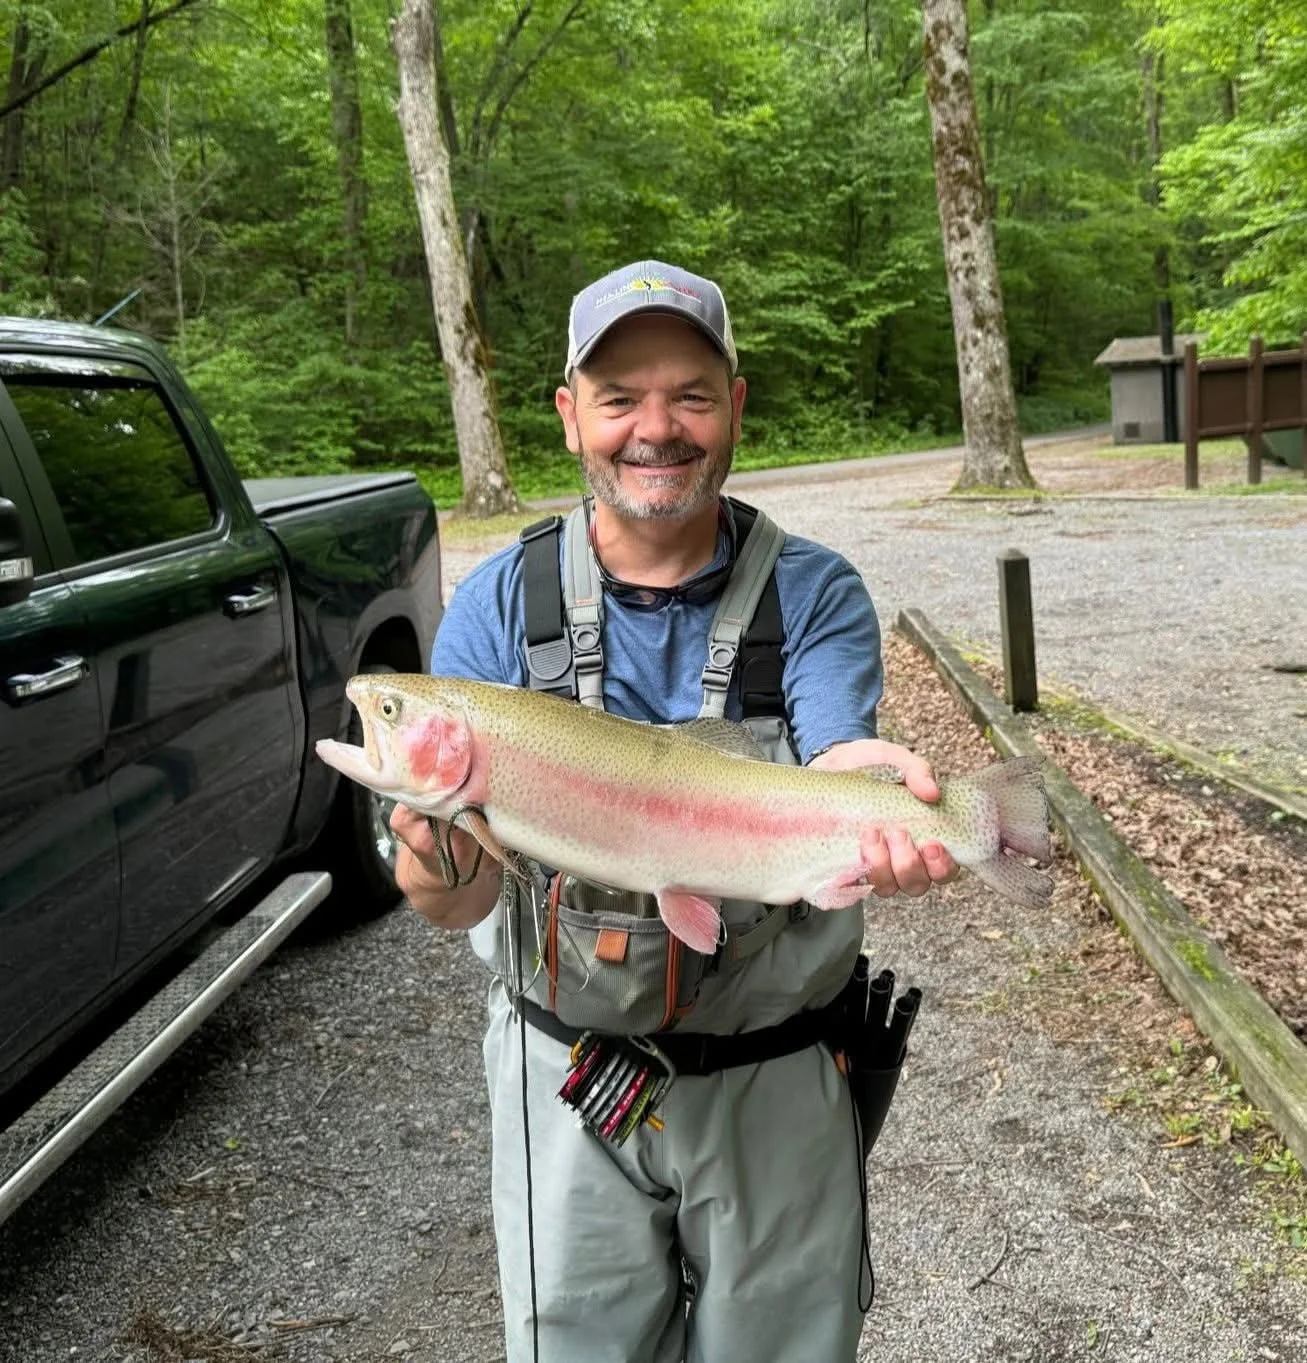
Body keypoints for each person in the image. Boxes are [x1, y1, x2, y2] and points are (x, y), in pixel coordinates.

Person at [391, 260, 957, 1363]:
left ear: (735, 405)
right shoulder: (497, 606)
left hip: (774, 1065)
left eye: (690, 394)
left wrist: (880, 810)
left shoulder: (815, 589)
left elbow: (837, 751)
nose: (655, 429)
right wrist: (431, 843)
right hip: (564, 1071)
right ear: (568, 417)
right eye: (618, 398)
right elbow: (446, 903)